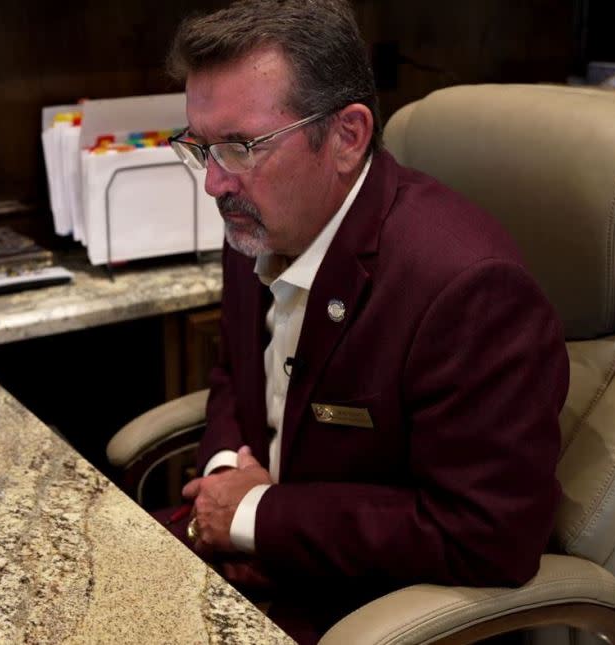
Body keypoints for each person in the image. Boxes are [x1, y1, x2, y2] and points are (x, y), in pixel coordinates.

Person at [163, 0, 569, 642]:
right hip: (246, 549)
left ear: (348, 136)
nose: (214, 183)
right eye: (200, 147)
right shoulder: (261, 218)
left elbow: (491, 535)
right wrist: (221, 475)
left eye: (240, 146)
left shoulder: (469, 287)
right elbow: (233, 373)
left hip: (362, 607)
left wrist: (255, 514)